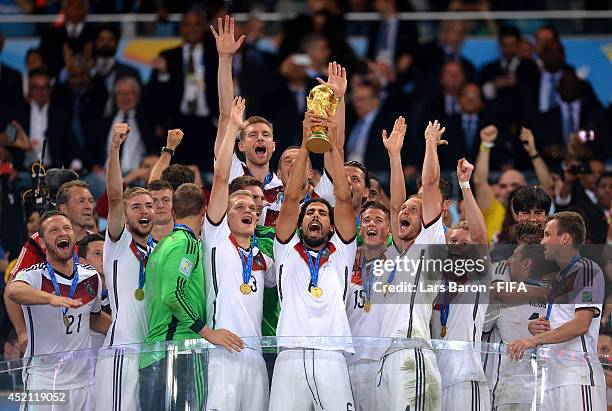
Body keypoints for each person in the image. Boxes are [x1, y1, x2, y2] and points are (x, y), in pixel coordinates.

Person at [268, 111, 356, 410]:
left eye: (321, 213)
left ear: (332, 227)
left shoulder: (342, 252)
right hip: (290, 355)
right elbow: (292, 198)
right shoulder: (285, 249)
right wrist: (307, 143)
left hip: (333, 355)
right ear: (300, 224)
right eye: (310, 214)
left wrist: (329, 144)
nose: (315, 216)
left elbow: (343, 198)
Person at [140, 183, 243, 411]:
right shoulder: (186, 244)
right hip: (181, 351)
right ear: (204, 212)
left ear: (173, 212)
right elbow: (172, 294)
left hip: (154, 355)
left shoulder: (161, 246)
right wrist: (208, 333)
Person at [203, 96, 275, 410]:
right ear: (225, 214)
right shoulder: (217, 237)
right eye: (239, 207)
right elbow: (220, 177)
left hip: (256, 359)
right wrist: (232, 127)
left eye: (252, 208)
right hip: (223, 358)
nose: (248, 211)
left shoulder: (263, 258)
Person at [375, 120, 447, 411]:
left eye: (414, 209)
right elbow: (394, 206)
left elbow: (429, 185)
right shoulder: (397, 255)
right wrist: (394, 155)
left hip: (412, 352)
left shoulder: (430, 243)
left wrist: (430, 143)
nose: (404, 210)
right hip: (385, 361)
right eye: (405, 208)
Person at [5, 211, 111, 410]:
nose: (62, 232)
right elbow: (13, 290)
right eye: (54, 230)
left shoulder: (91, 277)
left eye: (66, 228)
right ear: (44, 244)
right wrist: (50, 298)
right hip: (45, 381)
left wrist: (119, 330)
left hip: (83, 381)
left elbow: (94, 318)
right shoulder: (35, 276)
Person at [507, 211, 606, 411]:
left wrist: (532, 340)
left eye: (547, 235)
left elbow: (581, 324)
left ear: (564, 238)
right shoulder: (561, 278)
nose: (542, 241)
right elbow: (567, 322)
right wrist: (540, 327)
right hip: (553, 375)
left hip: (578, 376)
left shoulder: (587, 270)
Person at [94, 122, 155, 411]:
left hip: (152, 352)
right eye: (137, 207)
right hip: (122, 351)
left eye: (149, 206)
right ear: (125, 216)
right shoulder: (117, 242)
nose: (144, 211)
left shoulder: (159, 251)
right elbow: (116, 196)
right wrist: (115, 148)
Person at [5, 179, 94, 354]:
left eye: (90, 201)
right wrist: (22, 333)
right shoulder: (40, 241)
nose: (88, 206)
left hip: (85, 340)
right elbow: (11, 291)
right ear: (63, 208)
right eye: (81, 201)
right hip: (48, 343)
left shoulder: (96, 241)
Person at [431, 158, 490, 411]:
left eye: (462, 243)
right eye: (451, 241)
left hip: (466, 379)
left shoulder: (479, 279)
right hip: (433, 378)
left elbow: (479, 235)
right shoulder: (432, 283)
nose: (455, 246)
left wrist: (464, 184)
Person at [487, 223, 550, 409]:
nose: (508, 260)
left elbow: (481, 324)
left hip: (510, 391)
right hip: (543, 392)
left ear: (527, 263)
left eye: (514, 255)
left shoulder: (504, 300)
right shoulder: (553, 299)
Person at [148, 8, 219, 170]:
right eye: (187, 24)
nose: (192, 29)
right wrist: (163, 74)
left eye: (197, 24)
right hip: (177, 122)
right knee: (178, 171)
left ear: (204, 27)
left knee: (208, 172)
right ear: (181, 28)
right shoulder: (168, 56)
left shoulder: (216, 55)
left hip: (209, 123)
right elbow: (155, 95)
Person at [345, 199, 392, 410]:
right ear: (359, 228)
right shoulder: (346, 265)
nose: (371, 224)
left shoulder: (399, 265)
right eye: (366, 220)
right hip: (349, 362)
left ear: (389, 229)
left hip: (383, 362)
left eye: (378, 220)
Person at [474, 125, 553, 243]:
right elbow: (480, 182)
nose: (509, 190)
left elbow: (548, 186)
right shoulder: (492, 208)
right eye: (503, 186)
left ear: (525, 186)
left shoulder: (535, 214)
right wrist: (485, 145)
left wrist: (533, 152)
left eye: (514, 185)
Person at [76, 233, 108, 350]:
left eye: (106, 253)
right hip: (84, 362)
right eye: (97, 254)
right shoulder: (76, 293)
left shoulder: (121, 291)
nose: (104, 258)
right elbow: (93, 319)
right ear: (82, 262)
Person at [147, 179, 175, 243]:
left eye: (166, 200)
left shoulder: (188, 241)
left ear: (174, 204)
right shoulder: (135, 241)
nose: (160, 205)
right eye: (154, 201)